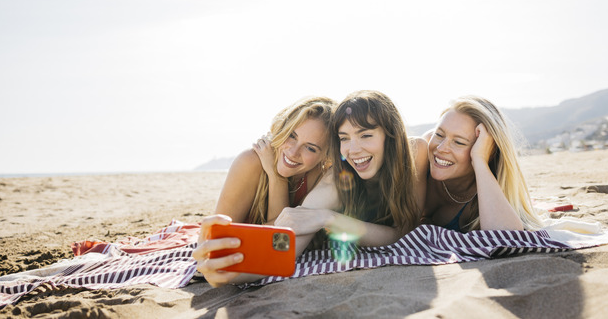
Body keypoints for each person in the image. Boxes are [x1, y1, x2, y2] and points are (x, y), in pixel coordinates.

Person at [192, 96, 336, 286]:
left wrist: (276, 177)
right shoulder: (250, 162)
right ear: (282, 128)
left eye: (310, 148)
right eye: (292, 135)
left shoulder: (319, 177)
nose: (293, 152)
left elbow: (281, 237)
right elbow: (219, 241)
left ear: (325, 156)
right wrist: (275, 177)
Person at [275, 90, 428, 252]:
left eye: (366, 135)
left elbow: (404, 233)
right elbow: (281, 251)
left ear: (390, 135)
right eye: (344, 138)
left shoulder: (415, 152)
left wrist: (328, 218)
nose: (352, 150)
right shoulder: (336, 179)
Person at [421, 96, 542, 232]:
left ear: (487, 149)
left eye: (459, 142)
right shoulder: (420, 152)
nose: (441, 148)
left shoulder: (486, 192)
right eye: (439, 134)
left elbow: (507, 236)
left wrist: (479, 160)